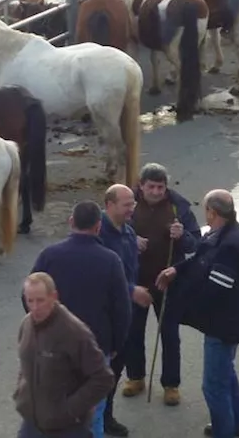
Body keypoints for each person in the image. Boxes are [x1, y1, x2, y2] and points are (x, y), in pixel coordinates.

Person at [155, 190, 239, 438]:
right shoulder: (222, 233)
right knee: (226, 374)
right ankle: (237, 425)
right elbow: (201, 257)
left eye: (207, 211)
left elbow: (217, 289)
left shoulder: (231, 244)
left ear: (212, 212)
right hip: (226, 323)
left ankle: (224, 430)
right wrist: (176, 270)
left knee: (213, 385)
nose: (206, 216)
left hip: (224, 326)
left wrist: (185, 303)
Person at [30, 200, 130, 438]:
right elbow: (122, 310)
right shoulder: (110, 260)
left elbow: (28, 297)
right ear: (98, 227)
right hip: (96, 349)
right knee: (93, 414)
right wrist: (116, 345)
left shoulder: (49, 256)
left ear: (71, 222)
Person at [123, 163, 201, 406]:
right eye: (151, 187)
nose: (156, 192)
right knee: (133, 331)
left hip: (168, 283)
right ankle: (135, 377)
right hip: (136, 281)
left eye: (161, 187)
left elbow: (195, 245)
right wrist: (130, 240)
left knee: (169, 334)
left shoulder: (179, 207)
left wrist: (182, 236)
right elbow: (110, 235)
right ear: (141, 186)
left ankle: (171, 384)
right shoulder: (128, 205)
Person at [15, 272, 115, 438]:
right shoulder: (26, 324)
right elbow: (25, 360)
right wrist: (21, 392)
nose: (34, 307)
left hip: (67, 428)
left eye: (40, 300)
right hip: (32, 422)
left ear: (53, 296)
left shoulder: (74, 332)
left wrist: (68, 410)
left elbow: (103, 378)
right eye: (29, 300)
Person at [98, 185, 149, 437]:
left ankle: (106, 416)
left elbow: (129, 269)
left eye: (133, 204)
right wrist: (132, 290)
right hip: (105, 317)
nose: (132, 209)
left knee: (116, 369)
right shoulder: (98, 235)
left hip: (124, 315)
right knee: (101, 372)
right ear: (109, 205)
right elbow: (102, 278)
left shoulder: (128, 232)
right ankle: (95, 420)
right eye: (127, 204)